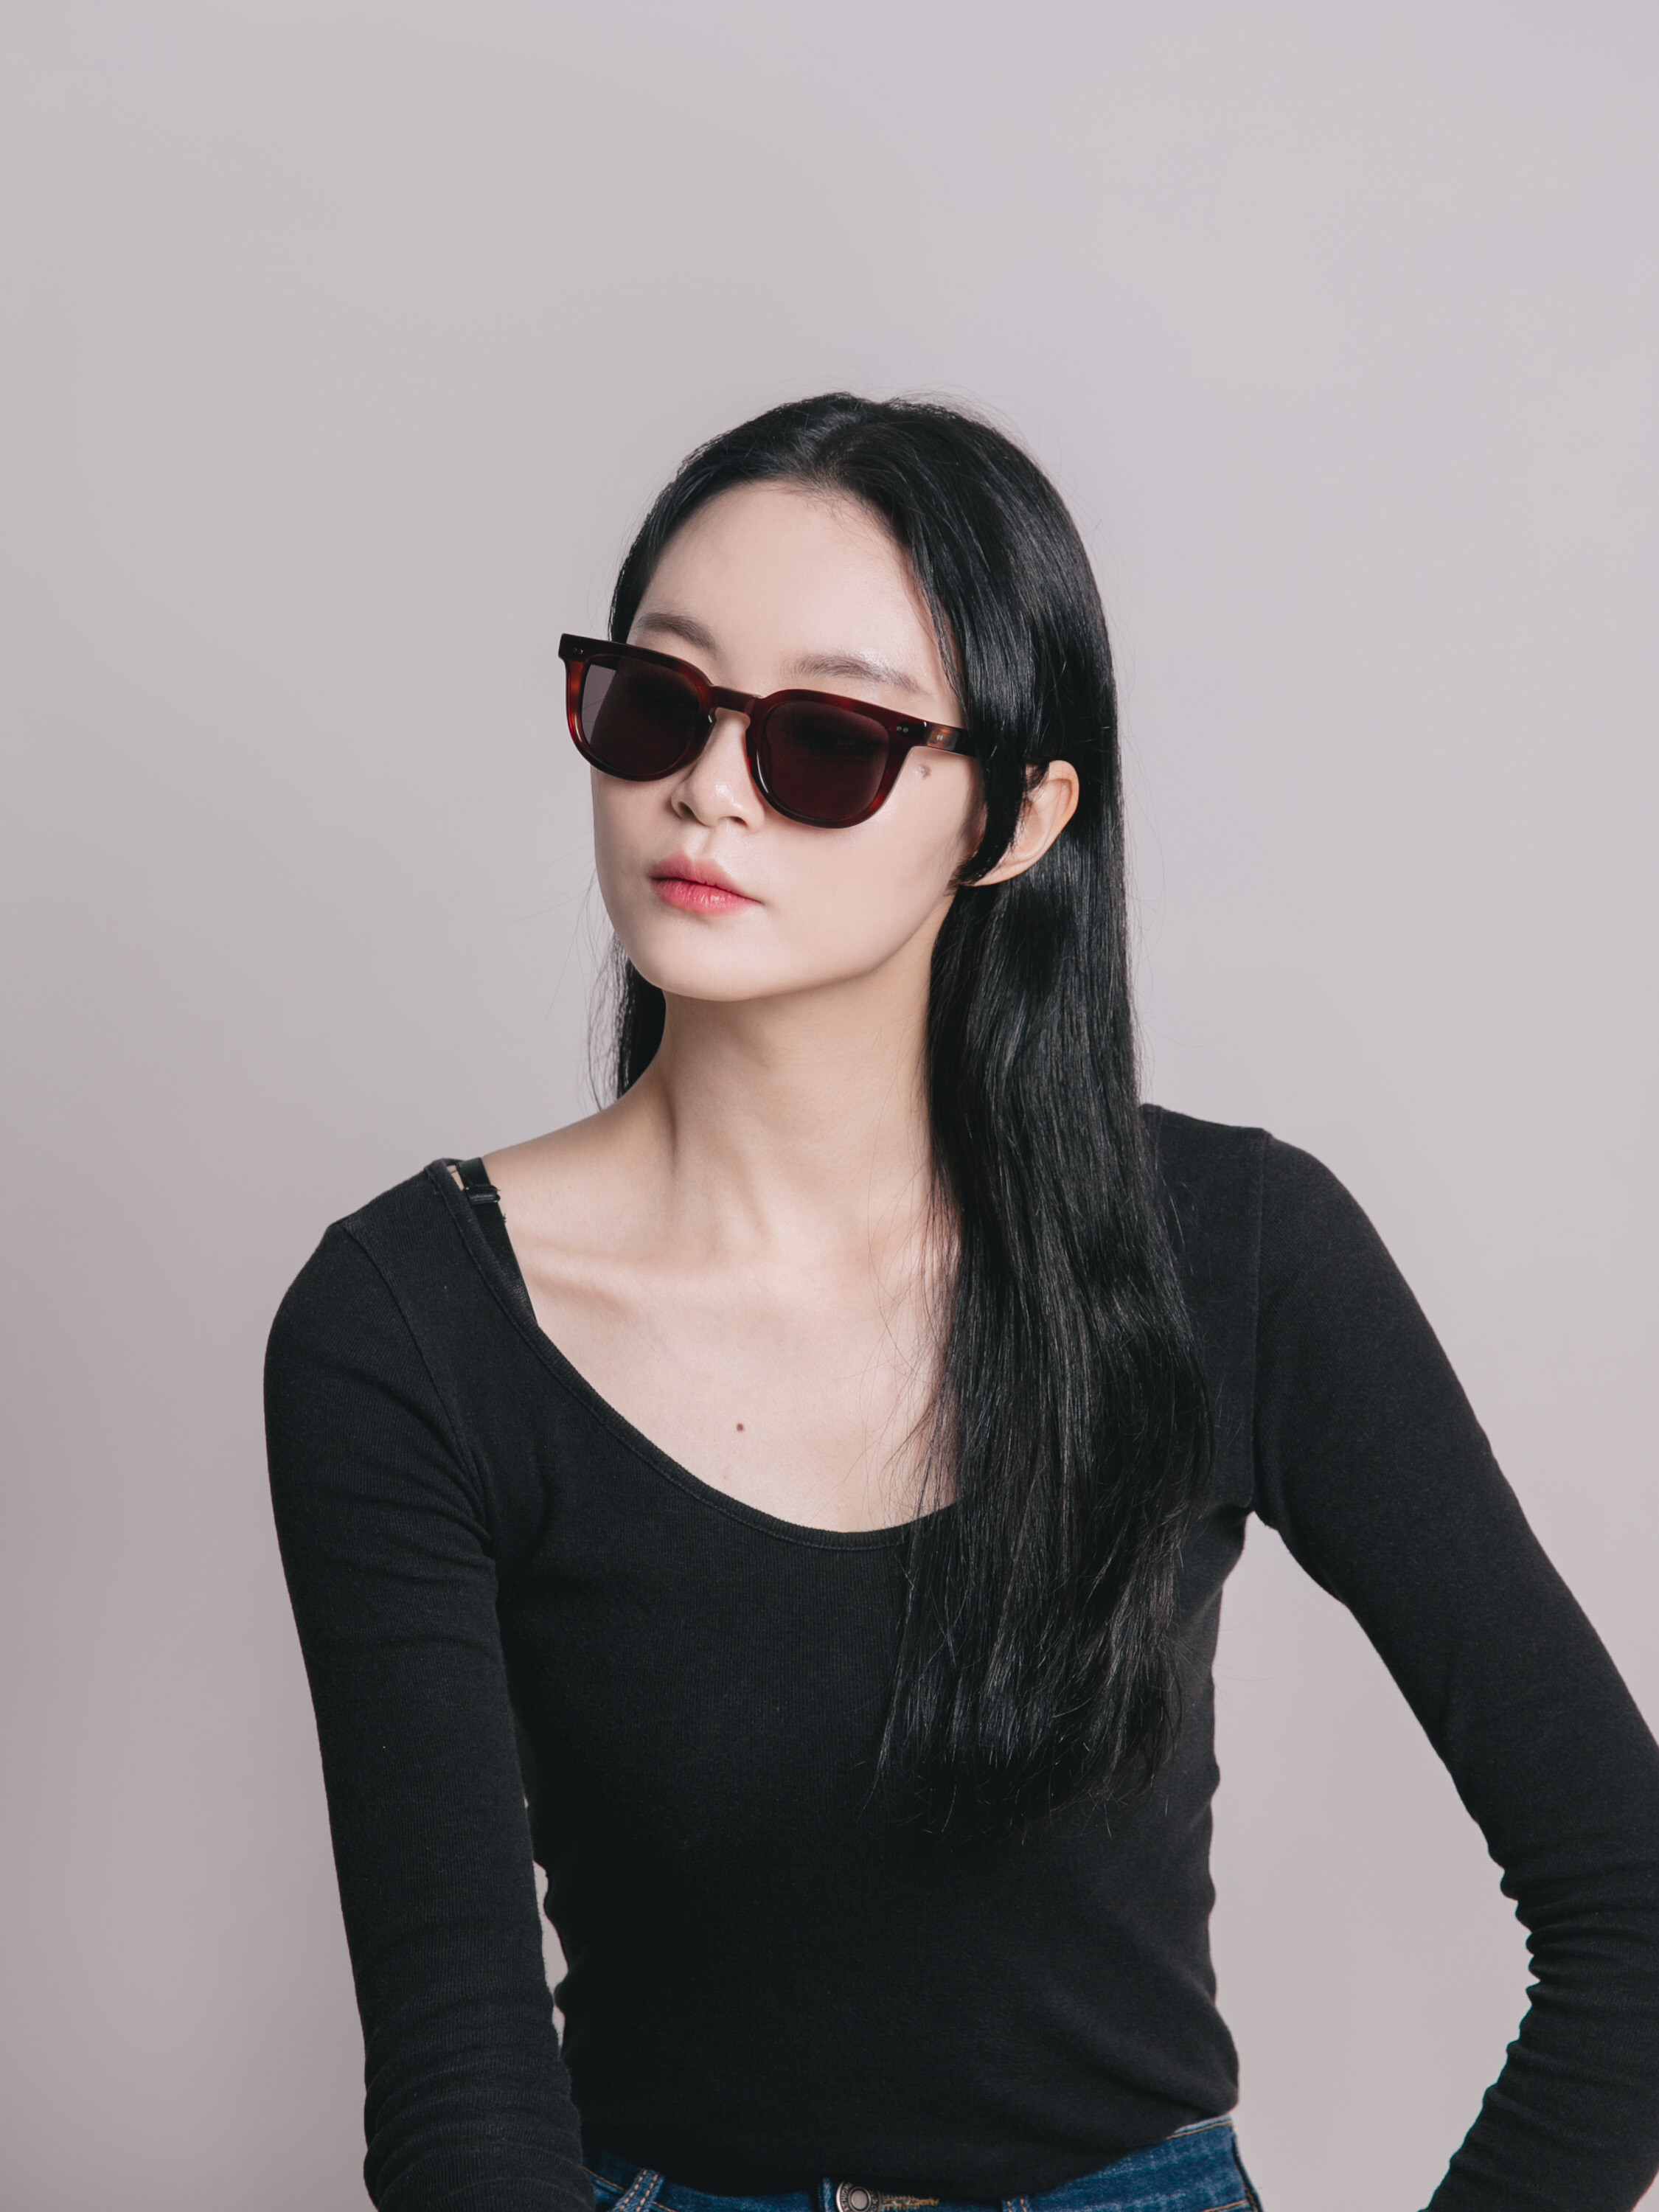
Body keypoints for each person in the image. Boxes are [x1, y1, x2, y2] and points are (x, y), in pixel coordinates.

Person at [265, 393, 1659, 2212]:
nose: (708, 790)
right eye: (659, 703)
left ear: (1014, 817)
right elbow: (465, 2092)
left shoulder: (1240, 1253)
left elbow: (1631, 1904)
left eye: (827, 743)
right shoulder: (408, 1330)